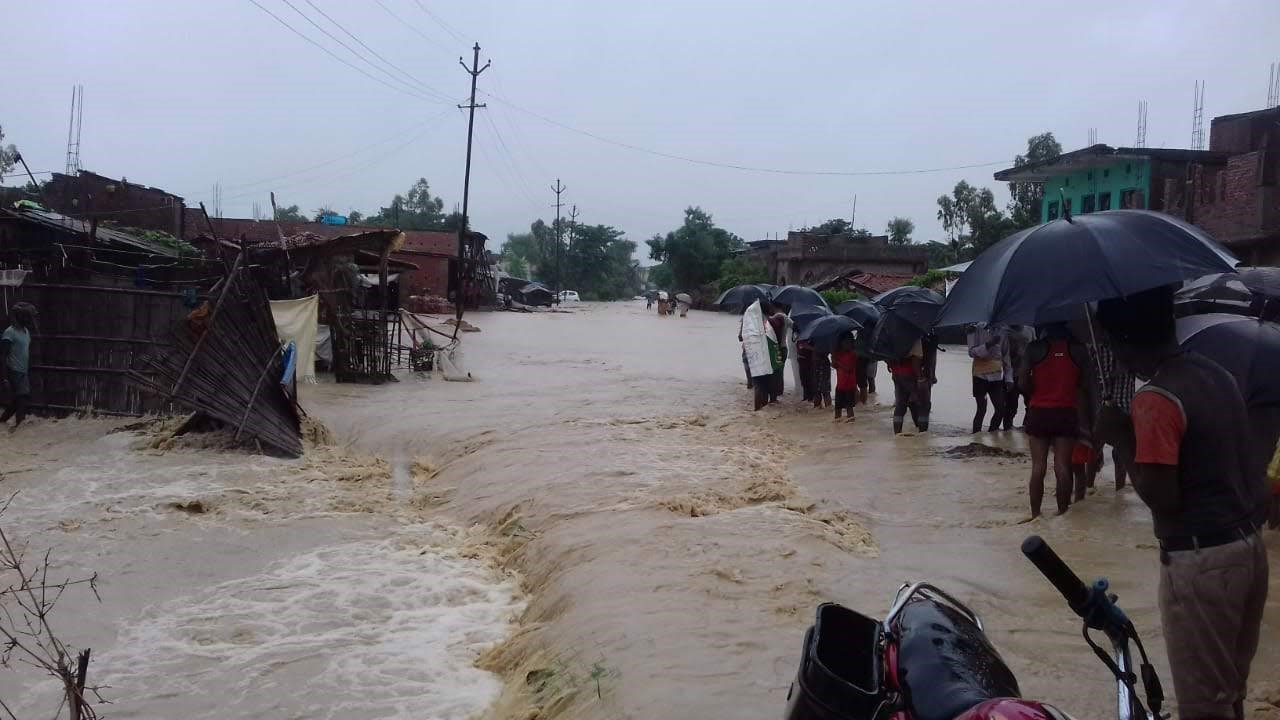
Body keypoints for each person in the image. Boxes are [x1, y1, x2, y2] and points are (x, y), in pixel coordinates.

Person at [1095, 286, 1268, 720]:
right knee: (1229, 692)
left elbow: (1163, 499)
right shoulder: (1216, 373)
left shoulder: (1155, 399)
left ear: (1123, 341)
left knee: (1202, 707)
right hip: (1248, 547)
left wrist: (1121, 438)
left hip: (1200, 561)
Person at [1020, 323, 1091, 517]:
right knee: (1062, 465)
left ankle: (1036, 515)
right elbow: (1084, 385)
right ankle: (1062, 513)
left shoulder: (1034, 348)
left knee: (1038, 466)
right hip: (1067, 412)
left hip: (1039, 412)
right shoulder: (1079, 350)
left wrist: (1037, 389)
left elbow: (1022, 383)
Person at [1093, 338, 1138, 490]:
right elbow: (1093, 378)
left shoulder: (1131, 349)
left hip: (1125, 404)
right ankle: (1087, 487)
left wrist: (1129, 366)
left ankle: (1119, 489)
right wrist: (1114, 373)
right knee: (1094, 448)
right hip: (1103, 405)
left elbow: (1144, 374)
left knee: (1121, 451)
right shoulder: (1099, 348)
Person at [1, 302, 36, 431]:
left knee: (17, 401)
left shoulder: (26, 332)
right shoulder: (9, 333)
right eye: (28, 317)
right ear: (21, 317)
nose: (30, 320)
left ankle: (3, 422)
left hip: (23, 371)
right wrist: (4, 377)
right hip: (13, 371)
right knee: (22, 398)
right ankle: (19, 429)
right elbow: (2, 356)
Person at [967, 323, 1007, 433]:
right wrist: (989, 344)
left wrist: (1009, 378)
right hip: (980, 375)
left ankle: (992, 434)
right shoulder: (974, 329)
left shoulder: (1002, 330)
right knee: (981, 409)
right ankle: (975, 438)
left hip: (996, 376)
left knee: (1000, 409)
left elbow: (1005, 355)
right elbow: (971, 352)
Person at [888, 338, 928, 434]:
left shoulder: (893, 334)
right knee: (922, 404)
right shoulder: (914, 336)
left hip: (896, 372)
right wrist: (920, 377)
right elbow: (916, 358)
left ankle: (897, 433)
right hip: (910, 373)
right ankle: (922, 434)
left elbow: (887, 357)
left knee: (900, 405)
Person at [1003, 325, 1034, 429]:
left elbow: (1036, 348)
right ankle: (1007, 430)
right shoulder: (1004, 332)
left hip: (1028, 374)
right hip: (1011, 375)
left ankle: (1026, 427)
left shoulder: (1030, 330)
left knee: (1031, 404)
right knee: (1011, 407)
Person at [831, 335, 858, 421]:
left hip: (850, 386)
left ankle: (850, 427)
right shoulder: (837, 354)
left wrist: (838, 363)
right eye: (846, 342)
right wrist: (833, 361)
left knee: (849, 408)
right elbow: (835, 365)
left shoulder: (853, 354)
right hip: (840, 386)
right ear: (841, 343)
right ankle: (838, 429)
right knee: (837, 409)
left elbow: (849, 368)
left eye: (849, 342)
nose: (848, 344)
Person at [795, 338, 815, 402]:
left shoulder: (812, 339)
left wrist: (807, 346)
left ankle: (810, 397)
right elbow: (798, 349)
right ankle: (805, 396)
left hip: (809, 362)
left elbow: (816, 349)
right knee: (803, 380)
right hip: (801, 361)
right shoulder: (799, 339)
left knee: (810, 379)